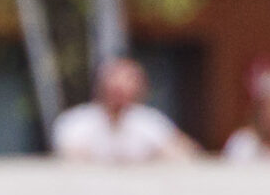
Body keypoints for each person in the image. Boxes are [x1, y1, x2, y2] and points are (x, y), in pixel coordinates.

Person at [50, 56, 201, 161]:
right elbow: (71, 160)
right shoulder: (76, 122)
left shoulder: (149, 121)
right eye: (116, 89)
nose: (121, 95)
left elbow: (185, 154)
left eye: (128, 88)